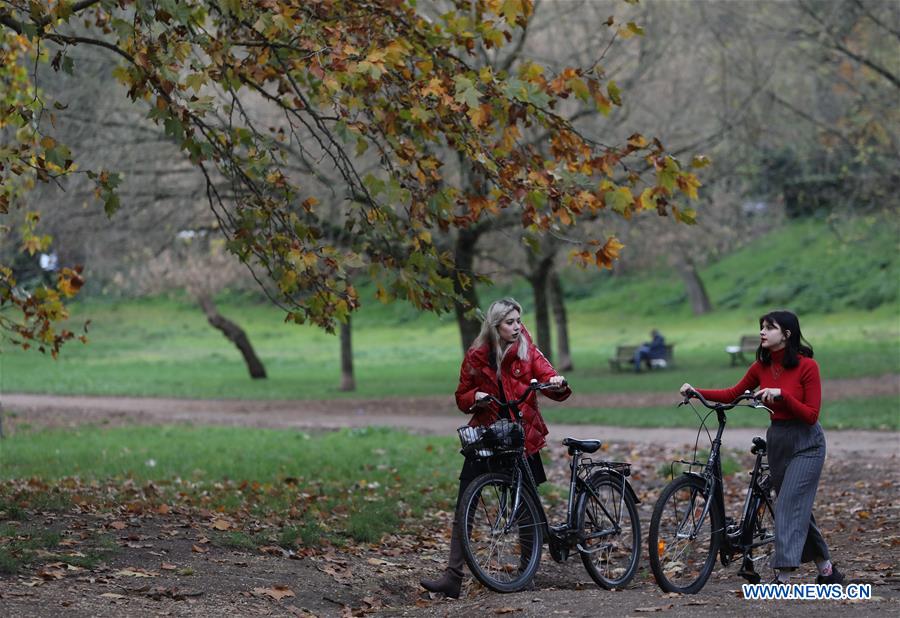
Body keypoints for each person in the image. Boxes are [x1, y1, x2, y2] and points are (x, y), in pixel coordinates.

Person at [420, 298, 571, 598]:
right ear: (495, 325)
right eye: (509, 322)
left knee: (527, 506)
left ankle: (527, 572)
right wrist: (476, 396)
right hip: (487, 435)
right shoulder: (477, 355)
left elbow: (549, 379)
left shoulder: (526, 347)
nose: (516, 327)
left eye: (518, 320)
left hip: (520, 435)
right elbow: (462, 397)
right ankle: (453, 576)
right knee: (466, 503)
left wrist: (556, 383)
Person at [679, 310, 843, 585]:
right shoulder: (761, 367)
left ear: (787, 334)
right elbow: (733, 393)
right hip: (777, 441)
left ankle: (783, 577)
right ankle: (827, 570)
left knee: (788, 504)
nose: (762, 332)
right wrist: (697, 392)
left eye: (770, 327)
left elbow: (811, 414)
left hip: (807, 443)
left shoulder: (807, 367)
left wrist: (783, 396)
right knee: (796, 506)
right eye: (761, 327)